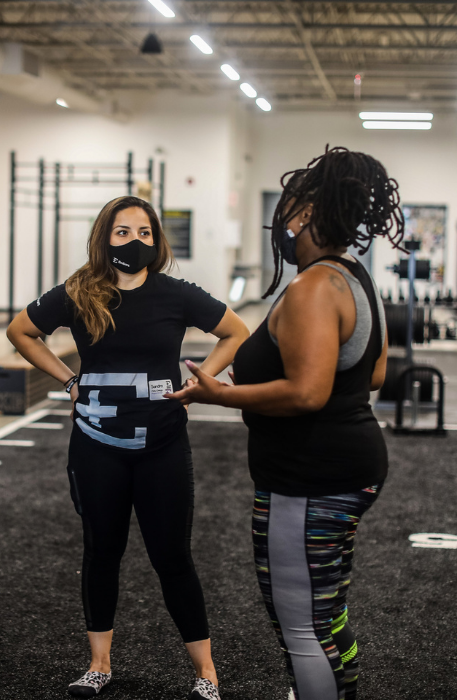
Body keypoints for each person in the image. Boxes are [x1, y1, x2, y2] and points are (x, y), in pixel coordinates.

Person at [167, 146, 404, 700]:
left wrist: (218, 394)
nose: (281, 218)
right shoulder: (355, 278)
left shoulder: (312, 288)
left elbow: (307, 393)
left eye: (288, 206)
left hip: (309, 479)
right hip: (348, 467)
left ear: (304, 215)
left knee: (301, 626)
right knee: (326, 612)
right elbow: (372, 375)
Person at [7, 195, 249, 700]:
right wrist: (69, 381)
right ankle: (99, 665)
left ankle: (206, 674)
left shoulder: (176, 294)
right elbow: (21, 331)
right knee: (101, 552)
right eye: (122, 232)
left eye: (144, 233)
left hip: (162, 444)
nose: (134, 242)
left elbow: (236, 332)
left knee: (173, 557)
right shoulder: (79, 291)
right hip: (96, 447)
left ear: (156, 241)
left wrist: (202, 384)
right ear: (104, 238)